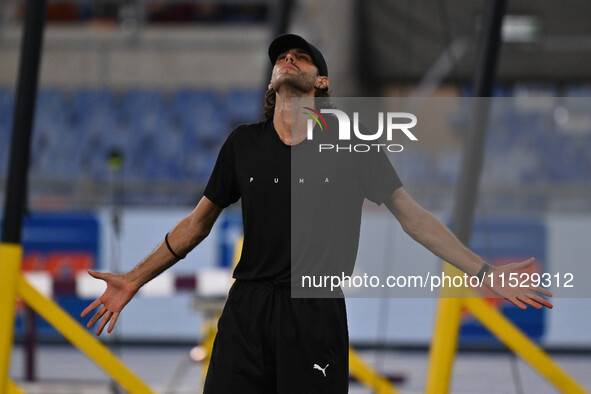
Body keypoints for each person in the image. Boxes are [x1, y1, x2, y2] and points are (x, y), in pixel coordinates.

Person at [81, 34, 553, 393]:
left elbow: (415, 218)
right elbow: (195, 226)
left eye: (299, 57)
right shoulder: (243, 144)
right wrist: (134, 278)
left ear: (320, 81)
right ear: (271, 81)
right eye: (281, 58)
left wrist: (483, 271)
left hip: (315, 315)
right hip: (247, 311)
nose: (286, 60)